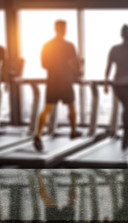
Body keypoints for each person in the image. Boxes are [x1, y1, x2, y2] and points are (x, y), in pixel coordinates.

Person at [33, 20, 82, 152]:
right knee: (71, 106)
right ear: (64, 30)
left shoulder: (47, 45)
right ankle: (73, 131)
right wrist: (76, 71)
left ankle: (37, 135)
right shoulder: (69, 45)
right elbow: (75, 63)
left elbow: (43, 64)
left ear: (55, 29)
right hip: (65, 81)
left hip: (52, 81)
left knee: (47, 108)